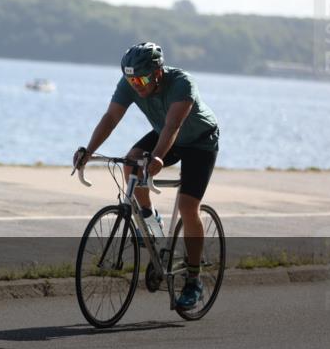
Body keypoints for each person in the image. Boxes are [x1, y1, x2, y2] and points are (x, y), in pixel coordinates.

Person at [73, 41, 220, 309]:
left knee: (188, 207)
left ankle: (194, 280)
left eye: (141, 78)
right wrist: (89, 150)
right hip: (166, 133)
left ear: (158, 73)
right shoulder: (130, 83)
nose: (136, 84)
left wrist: (158, 157)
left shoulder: (181, 84)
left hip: (199, 141)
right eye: (131, 79)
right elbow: (111, 117)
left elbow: (173, 126)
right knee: (131, 162)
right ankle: (151, 222)